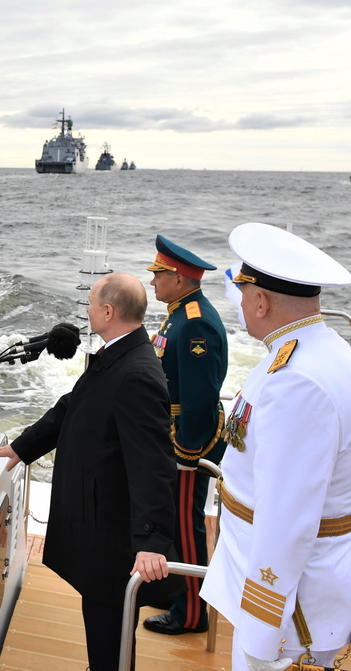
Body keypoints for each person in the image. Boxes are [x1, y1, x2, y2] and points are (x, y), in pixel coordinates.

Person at [200, 223, 351, 671]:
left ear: (261, 301)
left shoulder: (298, 380)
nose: (241, 303)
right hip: (303, 584)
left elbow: (286, 517)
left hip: (287, 604)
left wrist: (262, 626)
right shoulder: (320, 354)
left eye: (244, 292)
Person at [0, 272, 177, 670]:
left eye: (90, 304)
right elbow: (72, 405)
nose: (86, 311)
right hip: (98, 522)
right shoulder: (117, 355)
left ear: (107, 311)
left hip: (113, 533)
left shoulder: (137, 374)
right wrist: (23, 447)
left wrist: (151, 541)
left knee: (110, 627)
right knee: (101, 621)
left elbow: (153, 464)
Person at [143, 234, 228, 636]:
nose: (153, 281)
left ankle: (192, 611)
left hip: (187, 441)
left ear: (178, 279)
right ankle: (175, 589)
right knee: (170, 521)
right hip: (172, 434)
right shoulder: (179, 313)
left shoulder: (195, 323)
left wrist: (187, 452)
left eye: (158, 275)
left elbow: (198, 398)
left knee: (185, 526)